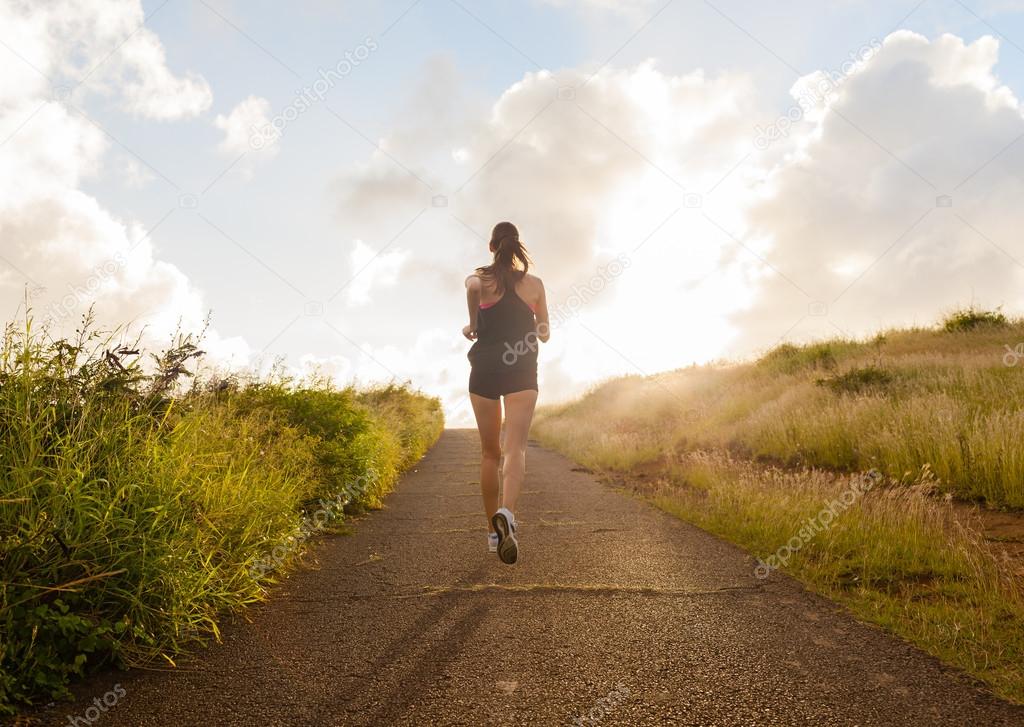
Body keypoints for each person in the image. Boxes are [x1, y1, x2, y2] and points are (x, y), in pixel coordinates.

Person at [463, 221, 549, 564]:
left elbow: (472, 287)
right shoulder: (534, 284)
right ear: (516, 246)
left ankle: (492, 532)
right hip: (522, 370)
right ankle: (508, 514)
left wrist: (473, 324)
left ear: (491, 247)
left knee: (490, 453)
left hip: (485, 368)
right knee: (516, 449)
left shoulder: (481, 278)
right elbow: (544, 333)